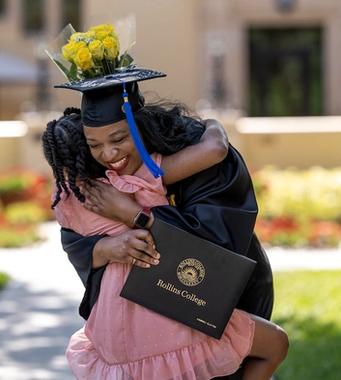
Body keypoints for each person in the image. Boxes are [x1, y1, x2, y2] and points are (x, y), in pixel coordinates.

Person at [43, 75, 288, 379]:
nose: (108, 154)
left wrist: (114, 233)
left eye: (118, 139)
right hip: (172, 307)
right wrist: (213, 123)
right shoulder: (133, 180)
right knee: (275, 343)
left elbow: (75, 241)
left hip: (118, 331)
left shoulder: (71, 199)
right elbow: (215, 149)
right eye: (95, 145)